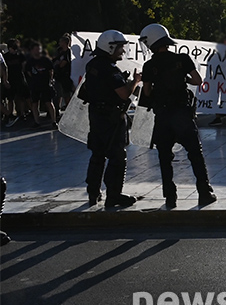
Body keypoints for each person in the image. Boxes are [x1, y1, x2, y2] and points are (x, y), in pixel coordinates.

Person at [139, 24, 217, 209]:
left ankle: (170, 197)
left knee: (165, 158)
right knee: (195, 154)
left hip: (163, 116)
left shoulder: (149, 65)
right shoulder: (182, 59)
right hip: (182, 114)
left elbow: (147, 91)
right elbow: (198, 80)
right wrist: (184, 79)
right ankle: (204, 193)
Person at [84, 30, 141, 207]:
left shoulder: (93, 64)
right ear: (109, 47)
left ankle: (93, 193)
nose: (122, 52)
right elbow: (123, 94)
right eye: (119, 48)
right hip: (111, 119)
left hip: (96, 115)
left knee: (97, 155)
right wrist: (135, 81)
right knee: (117, 156)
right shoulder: (109, 69)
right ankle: (114, 195)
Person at [24, 41, 57, 128]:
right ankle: (37, 121)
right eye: (35, 49)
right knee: (35, 103)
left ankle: (54, 121)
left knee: (49, 102)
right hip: (35, 85)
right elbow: (28, 72)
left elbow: (51, 70)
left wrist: (50, 80)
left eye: (39, 49)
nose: (37, 51)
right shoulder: (30, 62)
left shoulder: (45, 60)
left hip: (45, 84)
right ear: (32, 51)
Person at [3, 39, 28, 128]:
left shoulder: (20, 56)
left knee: (20, 96)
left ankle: (21, 113)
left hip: (19, 78)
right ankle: (10, 114)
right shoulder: (6, 56)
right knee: (10, 98)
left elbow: (24, 66)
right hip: (10, 78)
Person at [53, 34, 74, 112]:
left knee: (66, 94)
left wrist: (59, 63)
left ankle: (69, 110)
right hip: (58, 75)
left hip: (65, 76)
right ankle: (57, 110)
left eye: (61, 41)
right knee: (58, 93)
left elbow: (63, 64)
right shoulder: (59, 51)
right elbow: (54, 60)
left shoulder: (68, 52)